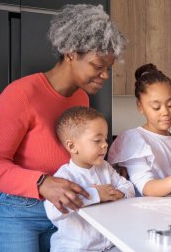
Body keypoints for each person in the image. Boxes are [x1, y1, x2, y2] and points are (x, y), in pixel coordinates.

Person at [0, 4, 125, 251]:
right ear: (70, 53)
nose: (105, 75)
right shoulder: (20, 95)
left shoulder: (81, 99)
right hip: (18, 213)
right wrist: (41, 182)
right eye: (98, 66)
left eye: (108, 68)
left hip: (68, 210)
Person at [108, 63, 171, 197]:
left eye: (170, 104)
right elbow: (146, 187)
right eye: (156, 107)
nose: (165, 112)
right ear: (140, 107)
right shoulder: (134, 140)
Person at [44, 106, 134, 252]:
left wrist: (120, 193)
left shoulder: (105, 167)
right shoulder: (64, 177)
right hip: (75, 248)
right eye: (97, 140)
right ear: (72, 146)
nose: (105, 144)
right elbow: (53, 211)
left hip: (109, 245)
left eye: (105, 139)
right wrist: (96, 195)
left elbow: (128, 186)